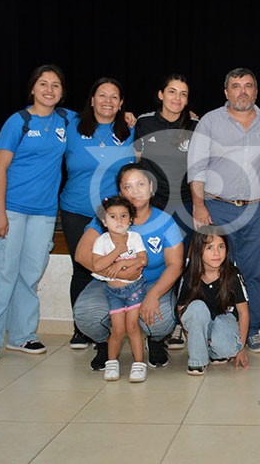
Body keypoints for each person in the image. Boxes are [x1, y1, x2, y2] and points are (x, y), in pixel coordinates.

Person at [0, 65, 75, 365]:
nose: (49, 89)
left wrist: (128, 117)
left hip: (44, 213)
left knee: (29, 275)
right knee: (1, 273)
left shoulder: (67, 120)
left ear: (62, 92)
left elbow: (100, 117)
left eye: (56, 85)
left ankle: (22, 335)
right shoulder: (18, 121)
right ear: (32, 88)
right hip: (11, 210)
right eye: (43, 84)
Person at [187, 67, 260, 352]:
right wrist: (199, 206)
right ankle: (214, 328)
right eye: (236, 86)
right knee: (215, 271)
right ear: (226, 92)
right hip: (217, 209)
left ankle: (253, 332)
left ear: (256, 91)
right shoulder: (210, 122)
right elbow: (196, 167)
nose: (243, 91)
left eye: (248, 85)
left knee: (254, 275)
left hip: (259, 210)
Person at [73, 163, 184, 371]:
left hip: (151, 284)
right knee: (86, 314)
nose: (135, 192)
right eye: (127, 187)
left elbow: (175, 265)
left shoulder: (165, 222)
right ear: (120, 192)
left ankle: (156, 342)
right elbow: (81, 254)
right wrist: (113, 273)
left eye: (140, 184)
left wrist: (154, 295)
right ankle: (106, 344)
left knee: (160, 320)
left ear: (151, 187)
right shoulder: (109, 216)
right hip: (110, 284)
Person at [59, 77, 134, 350]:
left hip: (114, 217)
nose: (108, 101)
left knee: (116, 267)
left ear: (121, 103)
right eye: (102, 95)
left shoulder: (130, 131)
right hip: (76, 210)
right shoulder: (71, 127)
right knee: (82, 268)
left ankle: (113, 328)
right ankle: (81, 328)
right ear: (92, 100)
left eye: (114, 97)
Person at [134, 74, 197, 351]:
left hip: (185, 207)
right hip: (152, 207)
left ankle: (174, 326)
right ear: (161, 94)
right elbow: (135, 164)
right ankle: (148, 324)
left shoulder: (195, 126)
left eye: (183, 94)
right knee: (151, 263)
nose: (177, 99)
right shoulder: (144, 123)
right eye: (172, 92)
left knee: (182, 266)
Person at [177, 226, 249, 375]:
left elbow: (243, 313)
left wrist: (241, 348)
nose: (216, 253)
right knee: (196, 307)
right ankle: (198, 361)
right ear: (198, 250)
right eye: (209, 248)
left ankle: (215, 352)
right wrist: (192, 339)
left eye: (221, 247)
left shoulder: (232, 276)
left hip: (223, 321)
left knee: (227, 348)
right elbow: (181, 309)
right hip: (200, 320)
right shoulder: (190, 276)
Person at [91, 196, 149, 382]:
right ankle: (111, 362)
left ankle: (139, 364)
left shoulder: (135, 237)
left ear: (131, 219)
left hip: (134, 289)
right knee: (117, 330)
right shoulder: (102, 241)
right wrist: (118, 251)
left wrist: (121, 264)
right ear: (104, 221)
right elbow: (98, 265)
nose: (119, 221)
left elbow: (143, 260)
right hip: (113, 292)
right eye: (113, 217)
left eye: (124, 216)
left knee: (132, 327)